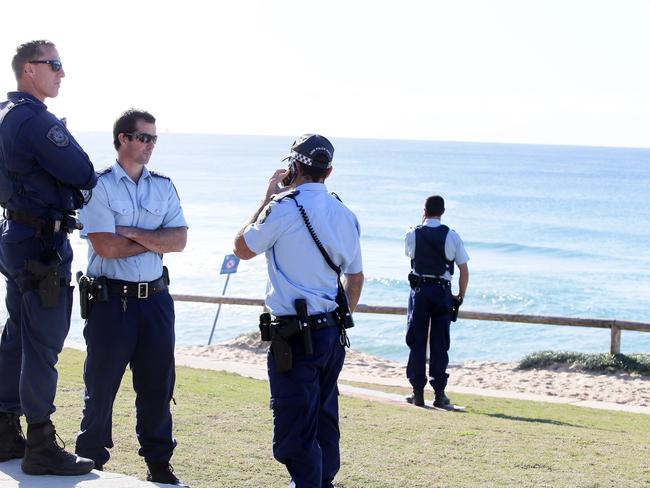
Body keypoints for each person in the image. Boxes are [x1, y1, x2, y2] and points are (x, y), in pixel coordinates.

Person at [234, 134, 364, 488]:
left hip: (293, 335)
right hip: (330, 333)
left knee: (294, 421)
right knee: (324, 416)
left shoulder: (283, 208)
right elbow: (355, 278)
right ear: (329, 171)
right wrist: (340, 318)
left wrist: (265, 198)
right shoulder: (345, 213)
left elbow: (242, 248)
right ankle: (324, 481)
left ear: (293, 167)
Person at [73, 109, 189, 486]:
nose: (150, 145)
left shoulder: (164, 186)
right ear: (122, 139)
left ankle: (159, 464)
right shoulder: (100, 186)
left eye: (154, 138)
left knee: (157, 386)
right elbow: (105, 247)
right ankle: (90, 460)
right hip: (111, 303)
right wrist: (155, 240)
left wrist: (134, 233)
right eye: (144, 138)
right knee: (102, 385)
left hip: (155, 302)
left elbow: (180, 240)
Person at [0, 40, 97, 475]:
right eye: (54, 65)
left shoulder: (5, 115)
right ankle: (40, 442)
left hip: (17, 234)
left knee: (18, 335)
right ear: (28, 71)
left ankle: (4, 431)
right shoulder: (34, 119)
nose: (61, 73)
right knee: (42, 342)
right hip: (41, 242)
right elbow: (83, 172)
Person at [404, 195, 469, 408]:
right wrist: (460, 295)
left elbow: (410, 255)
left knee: (417, 340)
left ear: (424, 210)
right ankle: (439, 394)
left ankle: (417, 392)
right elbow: (463, 269)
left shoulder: (413, 234)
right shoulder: (451, 235)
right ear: (443, 211)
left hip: (421, 290)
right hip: (442, 291)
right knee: (440, 342)